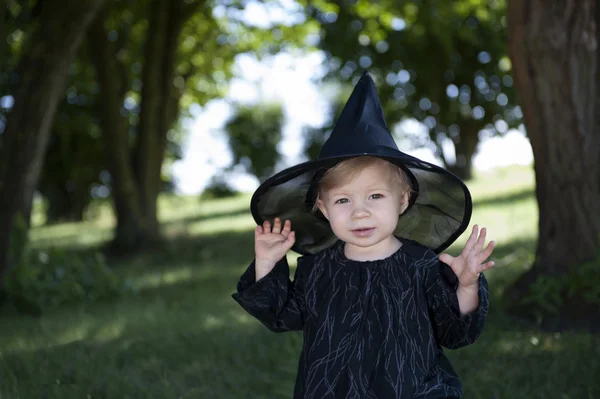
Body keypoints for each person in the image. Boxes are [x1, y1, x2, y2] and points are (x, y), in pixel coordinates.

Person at [232, 72, 495, 398]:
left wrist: (467, 286)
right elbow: (281, 316)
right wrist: (267, 263)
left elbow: (456, 333)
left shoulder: (422, 265)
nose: (360, 212)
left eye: (375, 196)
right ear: (323, 208)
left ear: (402, 200)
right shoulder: (317, 269)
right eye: (343, 200)